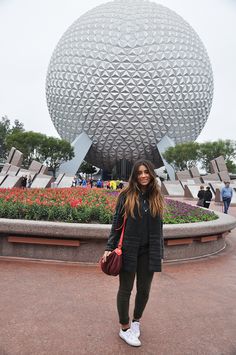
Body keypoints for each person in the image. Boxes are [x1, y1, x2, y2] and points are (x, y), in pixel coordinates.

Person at [101, 160, 164, 347]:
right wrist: (109, 246)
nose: (143, 176)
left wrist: (159, 250)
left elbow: (159, 227)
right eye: (139, 173)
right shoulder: (126, 195)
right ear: (134, 175)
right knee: (126, 289)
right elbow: (116, 223)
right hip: (128, 248)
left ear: (152, 174)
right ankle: (124, 328)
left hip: (149, 249)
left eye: (146, 172)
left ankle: (136, 321)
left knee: (144, 290)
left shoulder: (156, 196)